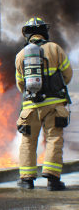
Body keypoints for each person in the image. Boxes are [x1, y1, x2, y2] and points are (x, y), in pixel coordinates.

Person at [15, 17, 72, 191]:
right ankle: (53, 179)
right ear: (44, 32)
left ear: (28, 35)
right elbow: (67, 75)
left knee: (28, 142)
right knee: (54, 139)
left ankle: (26, 180)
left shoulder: (21, 55)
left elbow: (20, 84)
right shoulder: (55, 48)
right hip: (54, 105)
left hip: (30, 108)